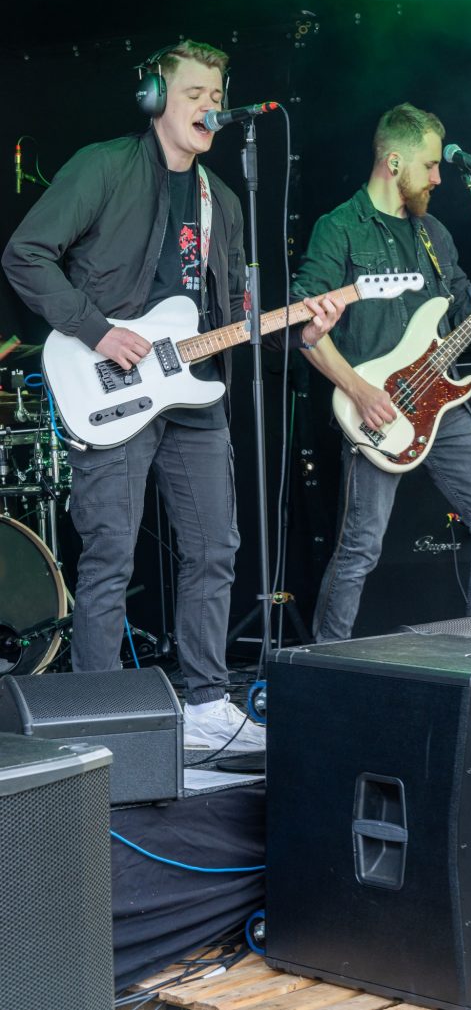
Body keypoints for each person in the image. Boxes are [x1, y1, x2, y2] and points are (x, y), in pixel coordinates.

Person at [2, 39, 343, 751]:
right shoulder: (104, 167)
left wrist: (298, 331)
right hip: (107, 384)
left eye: (217, 97)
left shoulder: (225, 202)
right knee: (109, 558)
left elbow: (236, 321)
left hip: (195, 394)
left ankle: (207, 701)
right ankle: (100, 716)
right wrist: (98, 331)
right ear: (155, 98)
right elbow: (24, 255)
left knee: (215, 547)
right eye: (193, 94)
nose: (209, 108)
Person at [293, 102, 471, 642]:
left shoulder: (433, 232)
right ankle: (325, 663)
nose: (438, 178)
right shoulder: (339, 229)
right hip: (376, 409)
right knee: (360, 548)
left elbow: (461, 308)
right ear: (394, 162)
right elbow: (305, 328)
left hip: (442, 402)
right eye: (430, 165)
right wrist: (359, 390)